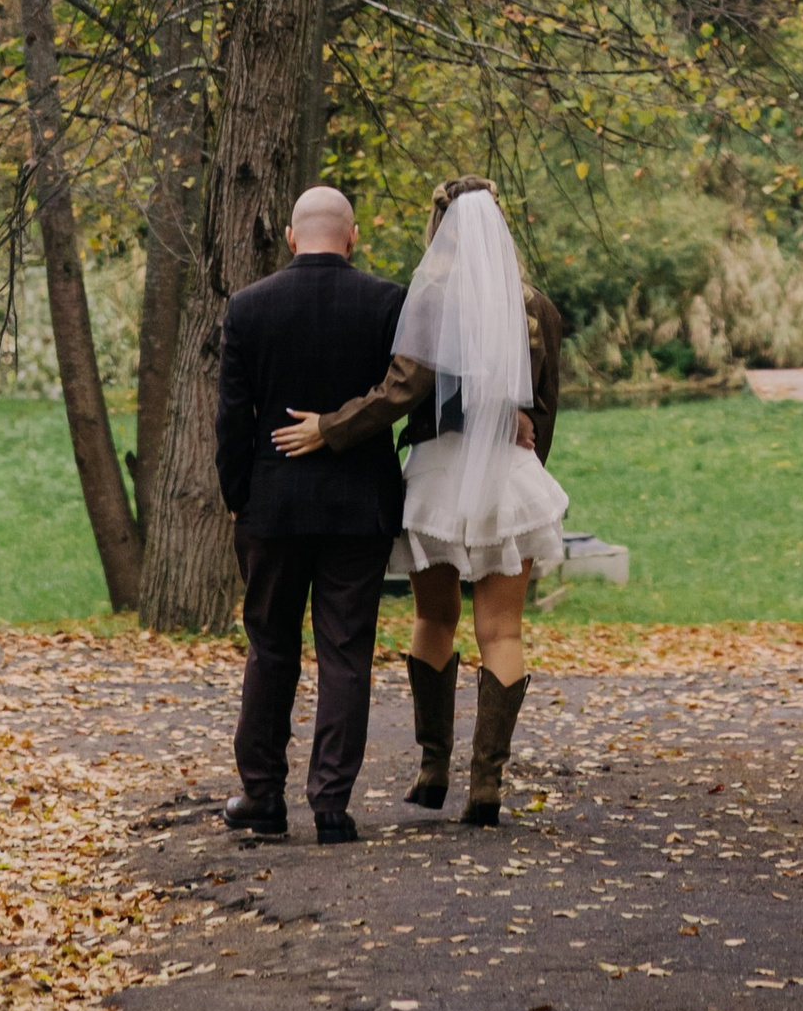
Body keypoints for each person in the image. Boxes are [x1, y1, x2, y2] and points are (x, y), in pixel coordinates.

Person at [275, 176, 565, 828]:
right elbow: (544, 411)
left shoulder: (430, 302)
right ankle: (485, 786)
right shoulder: (536, 309)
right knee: (503, 632)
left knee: (434, 618)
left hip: (436, 477)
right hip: (507, 481)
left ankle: (433, 770)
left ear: (440, 231)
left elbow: (400, 392)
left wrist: (332, 426)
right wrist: (522, 482)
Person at [214, 183, 408, 845]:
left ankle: (262, 796)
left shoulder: (249, 306)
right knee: (346, 653)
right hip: (359, 505)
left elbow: (232, 418)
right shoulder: (387, 302)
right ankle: (331, 803)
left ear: (292, 236)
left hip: (272, 505)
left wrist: (238, 497)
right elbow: (398, 394)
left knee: (270, 648)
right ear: (352, 237)